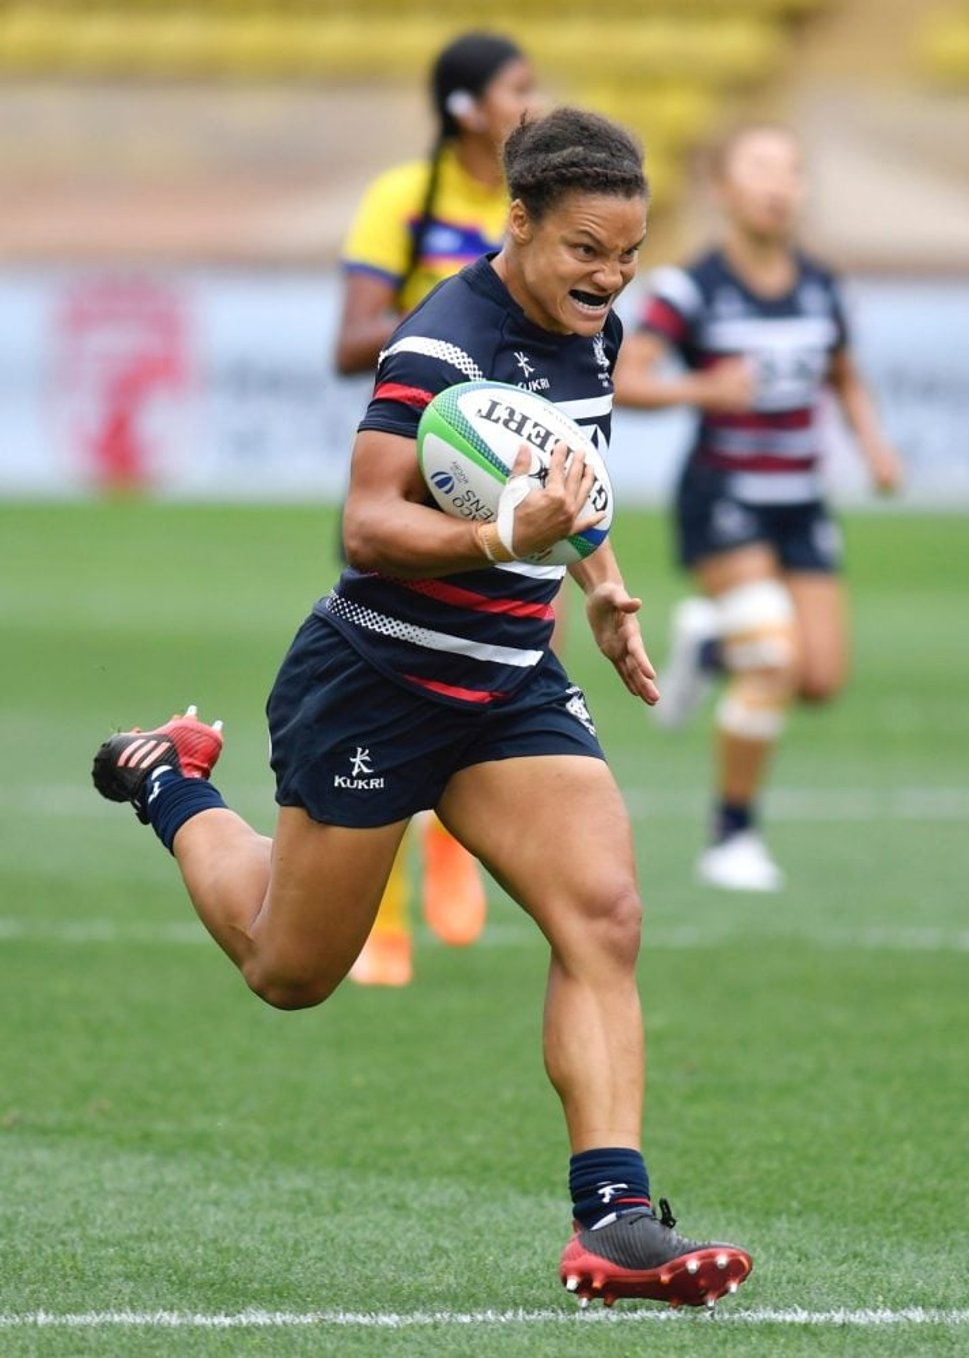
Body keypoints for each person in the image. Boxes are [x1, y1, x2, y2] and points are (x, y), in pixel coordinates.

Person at [92, 107, 753, 1310]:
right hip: (381, 677)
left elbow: (575, 486)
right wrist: (509, 535)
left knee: (602, 914)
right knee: (289, 968)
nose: (608, 279)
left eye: (628, 255)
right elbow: (368, 524)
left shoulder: (589, 332)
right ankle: (169, 776)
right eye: (585, 252)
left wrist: (599, 588)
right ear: (519, 223)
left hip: (507, 682)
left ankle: (612, 1215)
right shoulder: (440, 342)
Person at [614, 123, 902, 893]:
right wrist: (702, 388)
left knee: (820, 678)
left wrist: (873, 446)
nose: (780, 186)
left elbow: (844, 373)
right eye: (762, 169)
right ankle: (731, 836)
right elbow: (627, 378)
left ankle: (711, 648)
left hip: (800, 500)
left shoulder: (821, 285)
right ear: (723, 189)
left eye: (792, 170)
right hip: (724, 494)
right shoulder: (691, 289)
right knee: (773, 658)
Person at [334, 31, 542, 986]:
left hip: (517, 477)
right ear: (466, 108)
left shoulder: (530, 210)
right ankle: (377, 912)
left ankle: (452, 848)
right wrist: (444, 309)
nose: (530, 105)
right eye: (515, 90)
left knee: (519, 656)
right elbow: (349, 344)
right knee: (390, 679)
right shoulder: (400, 201)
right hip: (411, 475)